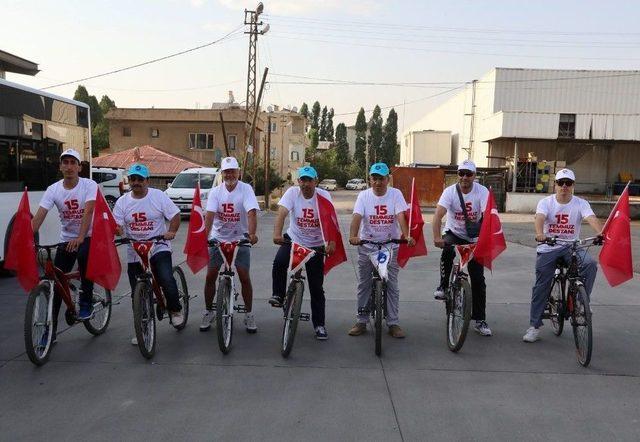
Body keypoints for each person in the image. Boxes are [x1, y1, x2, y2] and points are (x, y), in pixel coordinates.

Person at [523, 168, 602, 343]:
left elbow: (591, 217)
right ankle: (534, 326)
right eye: (561, 183)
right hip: (548, 247)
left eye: (568, 183)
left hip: (571, 247)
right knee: (541, 285)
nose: (564, 186)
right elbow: (540, 218)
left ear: (573, 186)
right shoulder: (546, 202)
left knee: (590, 264)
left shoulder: (580, 203)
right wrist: (539, 234)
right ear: (555, 185)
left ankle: (582, 302)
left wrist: (600, 233)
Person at [31, 148, 98, 344]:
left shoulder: (89, 185)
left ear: (79, 167)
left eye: (72, 162)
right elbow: (39, 216)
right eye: (65, 162)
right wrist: (27, 240)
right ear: (60, 167)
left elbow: (88, 212)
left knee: (85, 256)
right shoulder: (53, 189)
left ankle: (86, 300)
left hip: (89, 235)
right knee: (56, 283)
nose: (69, 166)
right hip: (66, 238)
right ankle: (49, 333)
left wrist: (80, 237)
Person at [113, 163, 184, 344]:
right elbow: (117, 224)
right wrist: (118, 230)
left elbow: (175, 215)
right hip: (135, 251)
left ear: (147, 181)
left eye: (140, 179)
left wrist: (172, 231)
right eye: (133, 179)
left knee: (166, 279)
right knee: (137, 293)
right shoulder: (122, 202)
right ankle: (141, 327)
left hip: (158, 246)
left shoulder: (158, 196)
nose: (136, 183)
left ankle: (175, 309)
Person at [348, 162, 415, 339]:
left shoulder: (395, 194)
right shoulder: (363, 196)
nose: (378, 182)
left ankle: (393, 323)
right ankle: (361, 320)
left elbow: (400, 215)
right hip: (367, 246)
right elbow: (357, 216)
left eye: (382, 179)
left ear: (388, 179)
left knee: (392, 284)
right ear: (370, 179)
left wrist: (406, 235)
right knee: (364, 284)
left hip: (389, 245)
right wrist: (353, 235)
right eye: (374, 178)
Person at [269, 166, 336, 340]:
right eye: (302, 180)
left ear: (316, 181)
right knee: (279, 262)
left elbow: (330, 221)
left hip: (316, 245)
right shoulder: (292, 193)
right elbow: (282, 213)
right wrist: (277, 234)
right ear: (298, 181)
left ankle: (319, 325)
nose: (305, 184)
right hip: (294, 239)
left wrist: (332, 242)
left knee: (316, 288)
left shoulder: (323, 196)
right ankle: (278, 294)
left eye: (309, 180)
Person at [432, 159, 492, 337]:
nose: (465, 177)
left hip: (475, 236)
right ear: (457, 175)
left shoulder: (482, 192)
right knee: (448, 250)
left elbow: (489, 217)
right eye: (461, 173)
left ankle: (480, 319)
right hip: (454, 232)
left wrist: (485, 239)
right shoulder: (449, 192)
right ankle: (443, 286)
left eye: (469, 174)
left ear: (474, 176)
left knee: (478, 279)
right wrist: (436, 237)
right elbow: (437, 216)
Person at [201, 157, 260, 333]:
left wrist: (251, 234)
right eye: (226, 171)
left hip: (240, 238)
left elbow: (251, 212)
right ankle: (208, 311)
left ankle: (249, 314)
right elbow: (210, 215)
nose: (230, 174)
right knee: (211, 275)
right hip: (218, 237)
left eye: (233, 171)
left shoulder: (246, 189)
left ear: (238, 172)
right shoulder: (215, 192)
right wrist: (205, 237)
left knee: (243, 276)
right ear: (222, 173)